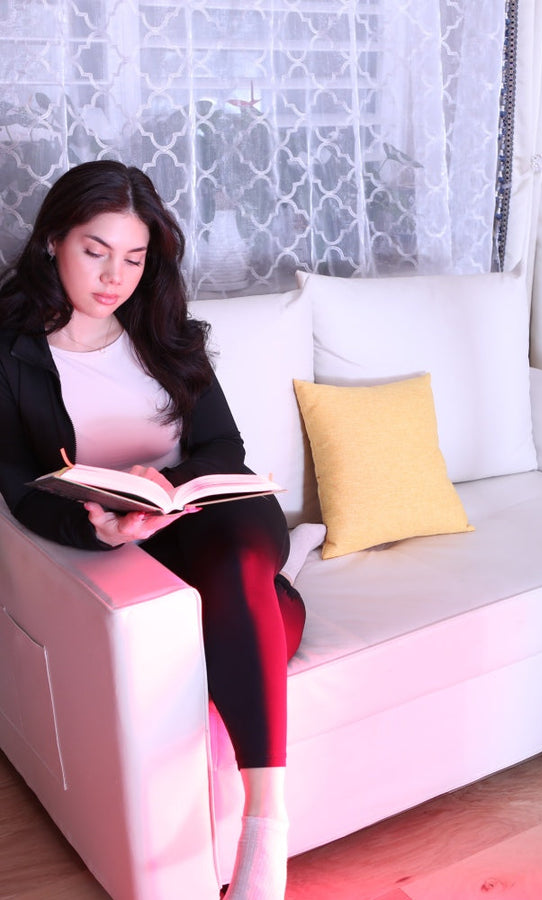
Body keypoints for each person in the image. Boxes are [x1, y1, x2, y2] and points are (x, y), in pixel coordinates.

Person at [0, 160, 306, 900]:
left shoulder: (161, 329)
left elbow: (224, 447)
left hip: (216, 514)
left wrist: (170, 485)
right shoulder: (11, 348)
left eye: (134, 258)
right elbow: (17, 485)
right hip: (136, 539)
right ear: (53, 240)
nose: (115, 277)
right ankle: (279, 599)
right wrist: (97, 530)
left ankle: (266, 824)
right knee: (266, 612)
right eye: (95, 251)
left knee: (234, 557)